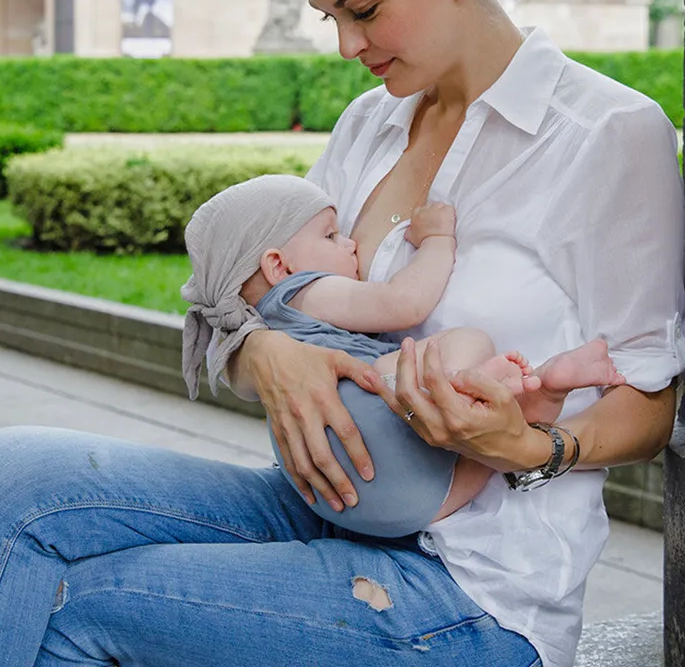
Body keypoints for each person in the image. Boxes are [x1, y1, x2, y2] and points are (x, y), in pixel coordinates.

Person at [0, 0, 685, 667]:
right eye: (331, 15)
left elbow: (652, 398)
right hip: (323, 503)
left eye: (362, 11)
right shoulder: (368, 125)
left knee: (78, 607)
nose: (345, 46)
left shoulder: (606, 133)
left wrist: (534, 442)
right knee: (8, 474)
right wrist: (264, 350)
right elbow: (247, 295)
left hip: (468, 585)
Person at [181, 173, 626, 538]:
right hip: (395, 450)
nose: (351, 243)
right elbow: (403, 304)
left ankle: (545, 385)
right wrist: (437, 240)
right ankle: (479, 385)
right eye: (331, 235)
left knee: (489, 449)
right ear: (279, 267)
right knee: (427, 354)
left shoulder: (256, 327)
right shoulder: (302, 293)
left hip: (358, 502)